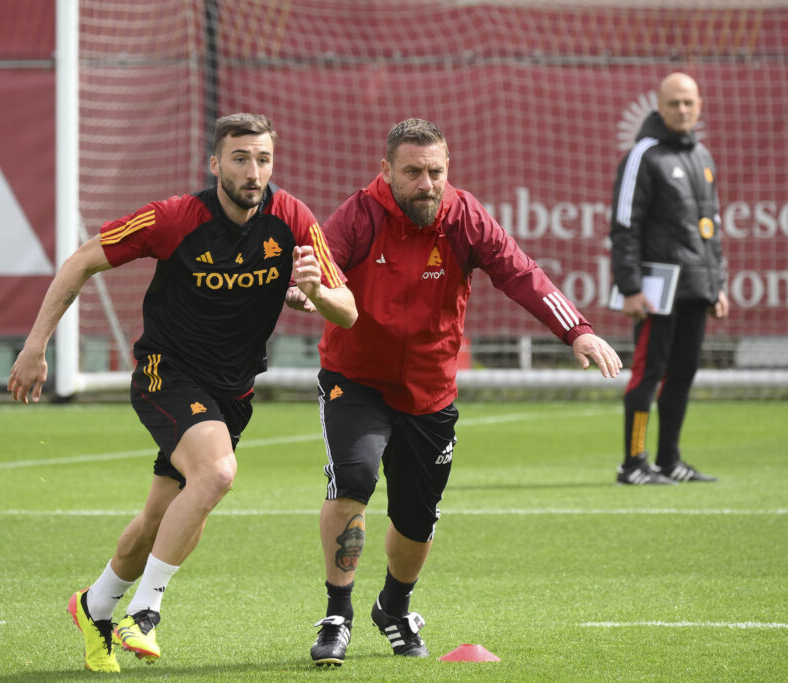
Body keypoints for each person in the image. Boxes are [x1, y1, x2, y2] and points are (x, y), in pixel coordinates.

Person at [8, 113, 357, 673]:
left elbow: (350, 310)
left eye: (263, 158)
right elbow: (81, 260)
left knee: (162, 521)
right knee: (217, 474)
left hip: (233, 390)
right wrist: (35, 345)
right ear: (215, 164)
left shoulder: (291, 218)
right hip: (164, 373)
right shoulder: (174, 218)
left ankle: (95, 605)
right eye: (240, 158)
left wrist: (315, 293)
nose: (253, 170)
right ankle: (144, 613)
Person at [285, 118, 623, 667]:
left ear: (449, 170)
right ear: (386, 171)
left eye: (436, 172)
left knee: (417, 517)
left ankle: (394, 608)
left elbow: (521, 273)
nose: (426, 183)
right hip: (356, 379)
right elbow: (319, 277)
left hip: (430, 390)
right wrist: (305, 297)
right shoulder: (358, 215)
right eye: (413, 172)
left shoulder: (463, 216)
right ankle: (337, 615)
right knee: (354, 478)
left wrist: (577, 330)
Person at [610, 72, 728, 485]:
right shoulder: (643, 154)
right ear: (659, 107)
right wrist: (630, 287)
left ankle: (669, 459)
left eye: (689, 103)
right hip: (657, 291)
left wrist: (719, 284)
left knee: (681, 376)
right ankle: (633, 463)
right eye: (674, 103)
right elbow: (625, 225)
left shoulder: (702, 156)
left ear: (699, 106)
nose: (682, 110)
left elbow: (710, 225)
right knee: (648, 374)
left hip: (698, 288)